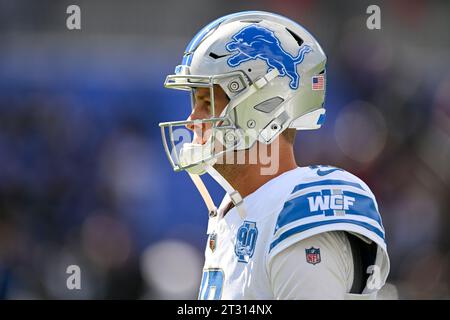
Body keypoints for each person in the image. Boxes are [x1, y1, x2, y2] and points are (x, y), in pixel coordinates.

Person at [159, 11, 390, 299]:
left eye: (206, 102)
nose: (193, 119)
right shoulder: (238, 209)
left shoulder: (297, 211)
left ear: (260, 106)